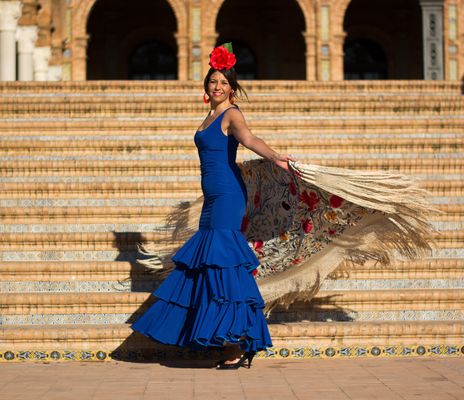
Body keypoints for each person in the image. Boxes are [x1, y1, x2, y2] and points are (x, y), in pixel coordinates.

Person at [130, 42, 295, 369]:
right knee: (210, 266)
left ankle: (236, 343)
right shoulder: (209, 115)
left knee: (225, 267)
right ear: (206, 85)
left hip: (229, 196)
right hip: (212, 198)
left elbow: (249, 140)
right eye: (213, 81)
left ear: (232, 89)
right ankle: (228, 339)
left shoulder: (232, 114)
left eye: (223, 83)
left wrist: (275, 156)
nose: (217, 87)